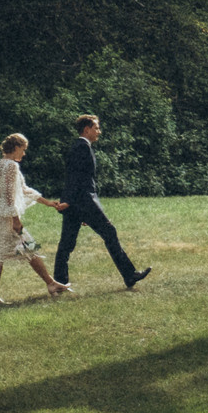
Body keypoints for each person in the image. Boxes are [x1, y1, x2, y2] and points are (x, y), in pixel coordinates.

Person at [56, 114, 149, 293]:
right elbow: (75, 178)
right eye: (96, 128)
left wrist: (72, 204)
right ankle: (130, 275)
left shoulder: (80, 147)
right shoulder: (81, 148)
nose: (99, 131)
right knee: (109, 233)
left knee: (67, 243)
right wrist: (72, 203)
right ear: (87, 129)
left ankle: (59, 282)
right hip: (84, 201)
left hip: (79, 203)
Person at [0, 133, 71, 307]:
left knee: (29, 248)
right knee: (1, 255)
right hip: (7, 217)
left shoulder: (2, 164)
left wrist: (48, 203)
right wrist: (15, 219)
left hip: (2, 214)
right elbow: (10, 196)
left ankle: (51, 283)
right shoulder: (10, 166)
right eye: (23, 149)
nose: (24, 154)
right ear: (16, 147)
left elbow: (24, 190)